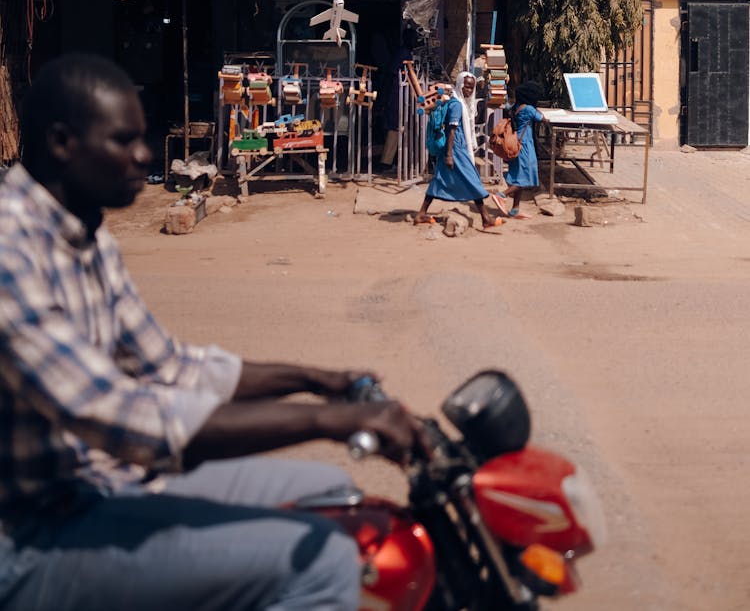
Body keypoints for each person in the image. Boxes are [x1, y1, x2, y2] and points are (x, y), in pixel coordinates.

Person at [0, 53, 428, 611]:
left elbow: (174, 369)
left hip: (113, 484)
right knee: (326, 561)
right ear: (62, 143)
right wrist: (330, 420)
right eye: (124, 140)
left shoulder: (87, 233)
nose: (145, 156)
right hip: (36, 534)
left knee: (332, 495)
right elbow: (132, 418)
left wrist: (322, 380)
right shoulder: (11, 248)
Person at [414, 70, 502, 231]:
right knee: (472, 179)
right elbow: (452, 129)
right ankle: (486, 218)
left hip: (455, 147)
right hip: (454, 148)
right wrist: (449, 155)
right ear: (460, 85)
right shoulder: (456, 104)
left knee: (439, 180)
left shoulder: (460, 103)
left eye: (471, 88)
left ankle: (421, 213)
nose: (468, 90)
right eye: (466, 87)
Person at [504, 81, 545, 218]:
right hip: (526, 146)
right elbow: (541, 118)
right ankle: (501, 195)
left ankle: (515, 209)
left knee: (518, 177)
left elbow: (506, 105)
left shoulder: (515, 107)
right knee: (526, 178)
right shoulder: (529, 109)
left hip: (516, 144)